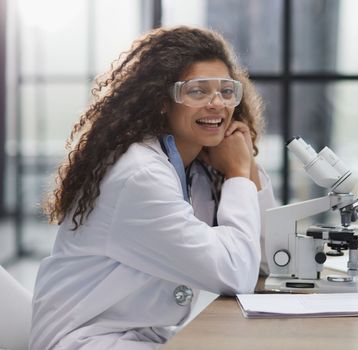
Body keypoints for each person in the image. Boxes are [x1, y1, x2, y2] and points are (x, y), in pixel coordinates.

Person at [29, 26, 276, 350]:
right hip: (88, 342)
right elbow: (235, 273)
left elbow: (269, 259)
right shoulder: (139, 176)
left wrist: (249, 171)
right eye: (197, 91)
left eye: (226, 91)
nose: (217, 104)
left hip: (145, 338)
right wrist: (238, 174)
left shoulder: (198, 170)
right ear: (162, 101)